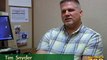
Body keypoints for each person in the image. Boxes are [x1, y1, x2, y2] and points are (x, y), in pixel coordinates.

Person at [36, 0, 103, 60]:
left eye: (70, 10)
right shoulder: (50, 34)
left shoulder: (94, 37)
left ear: (81, 13)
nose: (66, 14)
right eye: (63, 11)